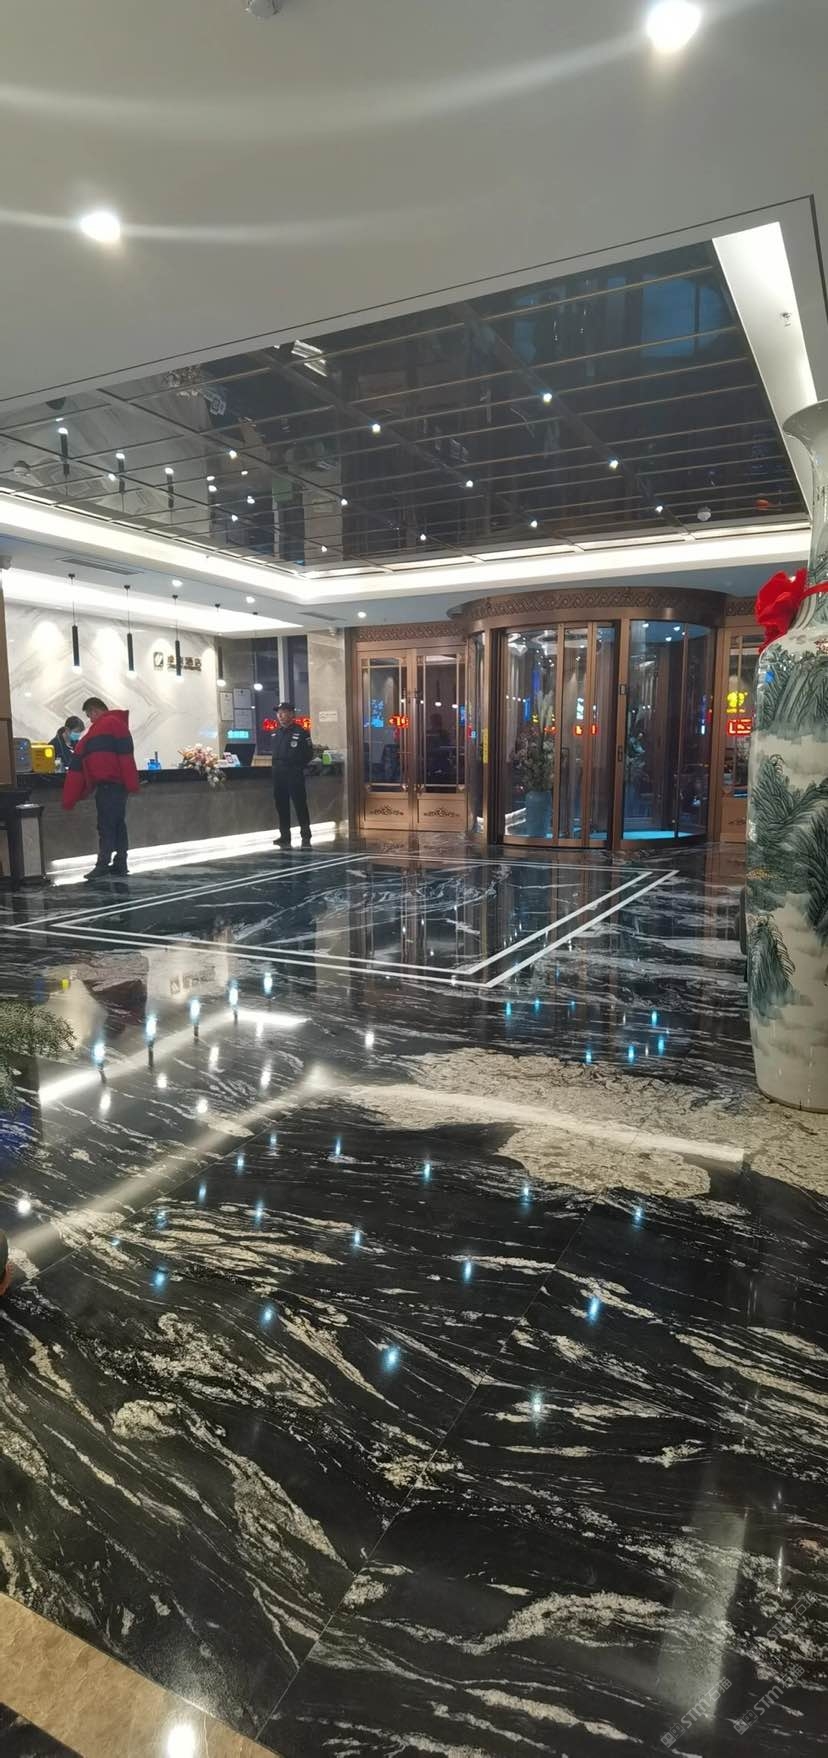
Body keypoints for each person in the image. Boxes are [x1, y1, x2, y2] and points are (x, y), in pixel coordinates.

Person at [62, 696, 140, 881]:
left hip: (108, 786)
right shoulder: (117, 725)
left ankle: (103, 864)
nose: (90, 720)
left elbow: (81, 758)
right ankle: (120, 862)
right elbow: (126, 757)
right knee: (118, 824)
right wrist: (131, 783)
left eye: (89, 715)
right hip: (118, 786)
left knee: (106, 826)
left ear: (95, 710)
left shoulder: (103, 727)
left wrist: (70, 797)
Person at [271, 701, 313, 849]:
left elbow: (308, 754)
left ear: (291, 714)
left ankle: (305, 833)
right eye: (278, 713)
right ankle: (284, 835)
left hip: (294, 773)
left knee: (299, 804)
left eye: (283, 712)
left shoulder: (301, 732)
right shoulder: (276, 733)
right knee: (281, 805)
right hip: (278, 774)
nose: (280, 715)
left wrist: (297, 766)